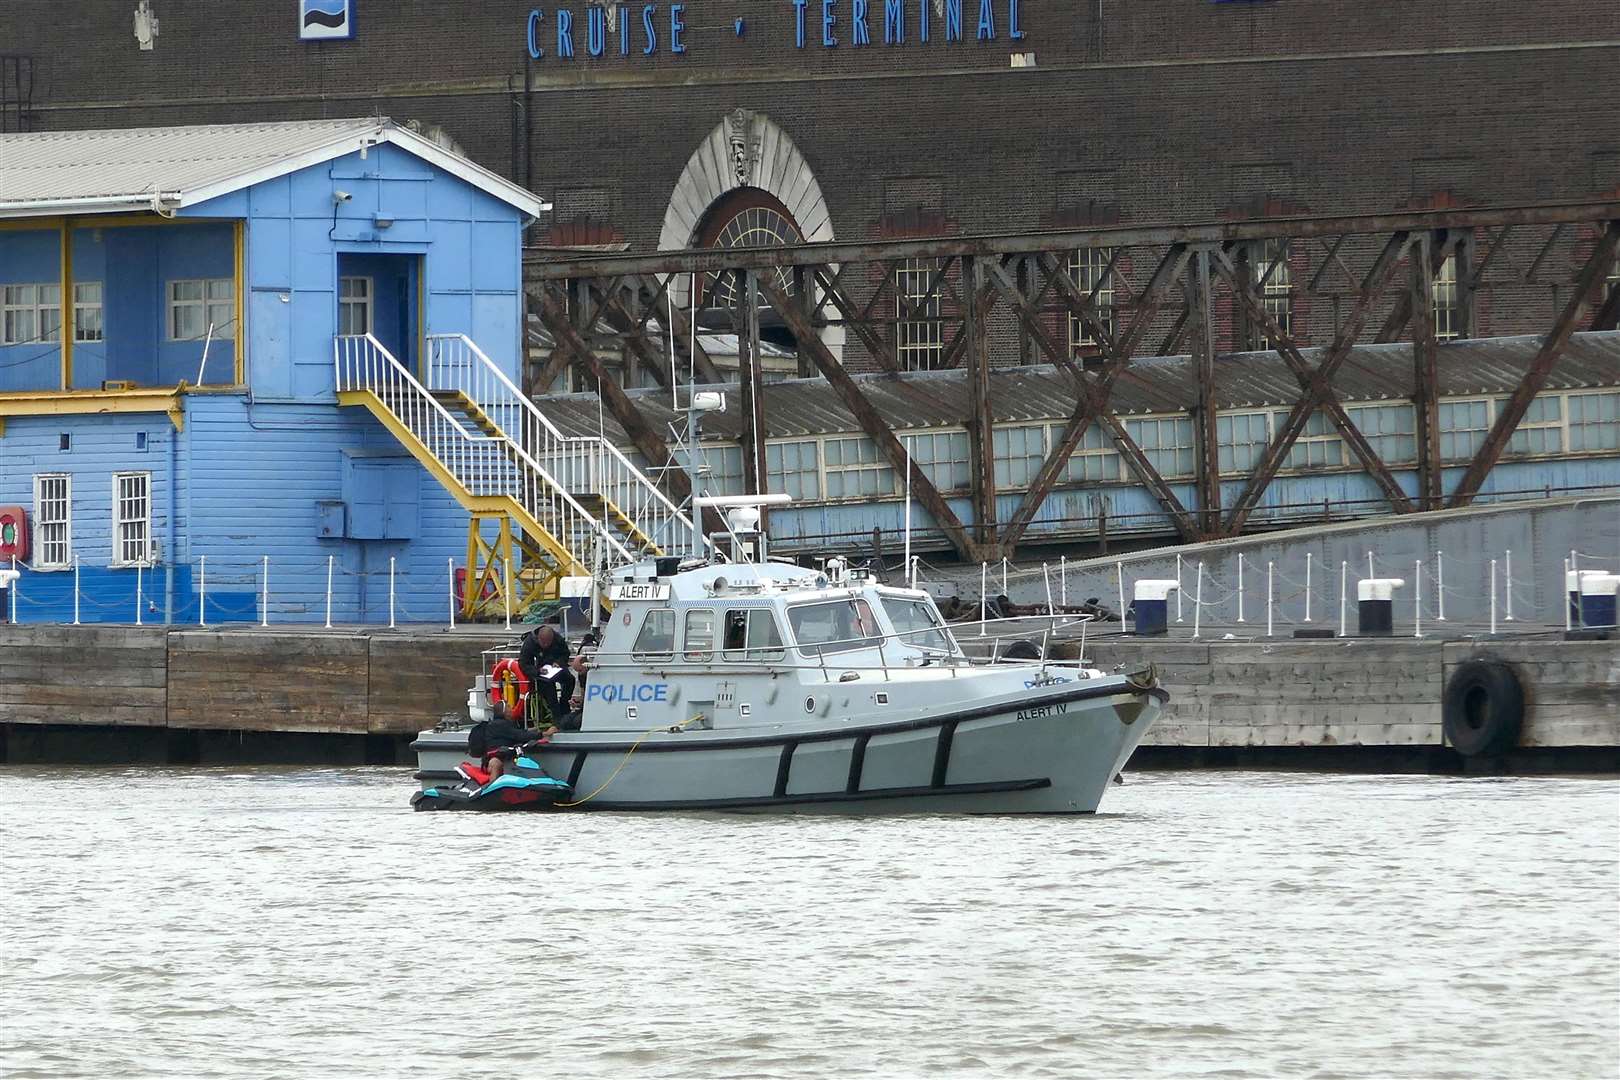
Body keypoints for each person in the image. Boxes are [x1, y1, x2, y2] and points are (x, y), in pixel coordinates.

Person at [520, 623, 574, 724]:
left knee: (570, 679)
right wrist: (536, 671)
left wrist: (559, 662)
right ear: (538, 639)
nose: (546, 645)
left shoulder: (558, 639)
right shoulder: (529, 643)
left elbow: (565, 653)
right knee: (549, 688)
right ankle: (556, 716)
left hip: (555, 668)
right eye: (543, 643)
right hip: (539, 672)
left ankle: (564, 704)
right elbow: (524, 663)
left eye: (548, 643)